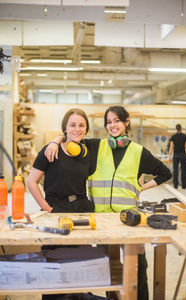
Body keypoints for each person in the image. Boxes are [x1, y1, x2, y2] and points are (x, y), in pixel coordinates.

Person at [45, 105, 172, 300]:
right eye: (109, 122)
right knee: (106, 265)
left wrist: (140, 188)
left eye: (117, 121)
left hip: (130, 219)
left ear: (126, 122)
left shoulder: (138, 152)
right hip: (101, 219)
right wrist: (54, 141)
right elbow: (73, 135)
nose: (113, 126)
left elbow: (165, 173)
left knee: (138, 264)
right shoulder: (96, 146)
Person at [27, 108, 94, 214]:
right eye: (72, 125)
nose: (77, 129)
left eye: (81, 125)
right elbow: (31, 182)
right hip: (56, 207)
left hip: (83, 207)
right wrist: (47, 208)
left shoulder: (87, 151)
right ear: (65, 128)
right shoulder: (51, 150)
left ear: (86, 129)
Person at [169, 123, 186, 189]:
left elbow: (171, 147)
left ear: (176, 128)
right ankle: (184, 186)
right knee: (184, 170)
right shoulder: (185, 136)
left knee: (175, 171)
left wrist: (169, 156)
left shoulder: (173, 136)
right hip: (183, 154)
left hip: (176, 155)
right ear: (181, 128)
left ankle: (175, 185)